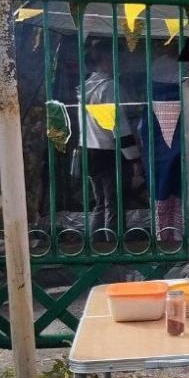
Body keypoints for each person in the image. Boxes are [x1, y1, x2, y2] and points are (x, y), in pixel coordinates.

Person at [78, 38, 140, 239]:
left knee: (100, 202)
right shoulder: (110, 87)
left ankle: (95, 244)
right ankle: (114, 245)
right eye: (119, 57)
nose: (122, 61)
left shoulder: (85, 87)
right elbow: (119, 127)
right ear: (107, 58)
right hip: (110, 152)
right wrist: (134, 158)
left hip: (89, 150)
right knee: (115, 202)